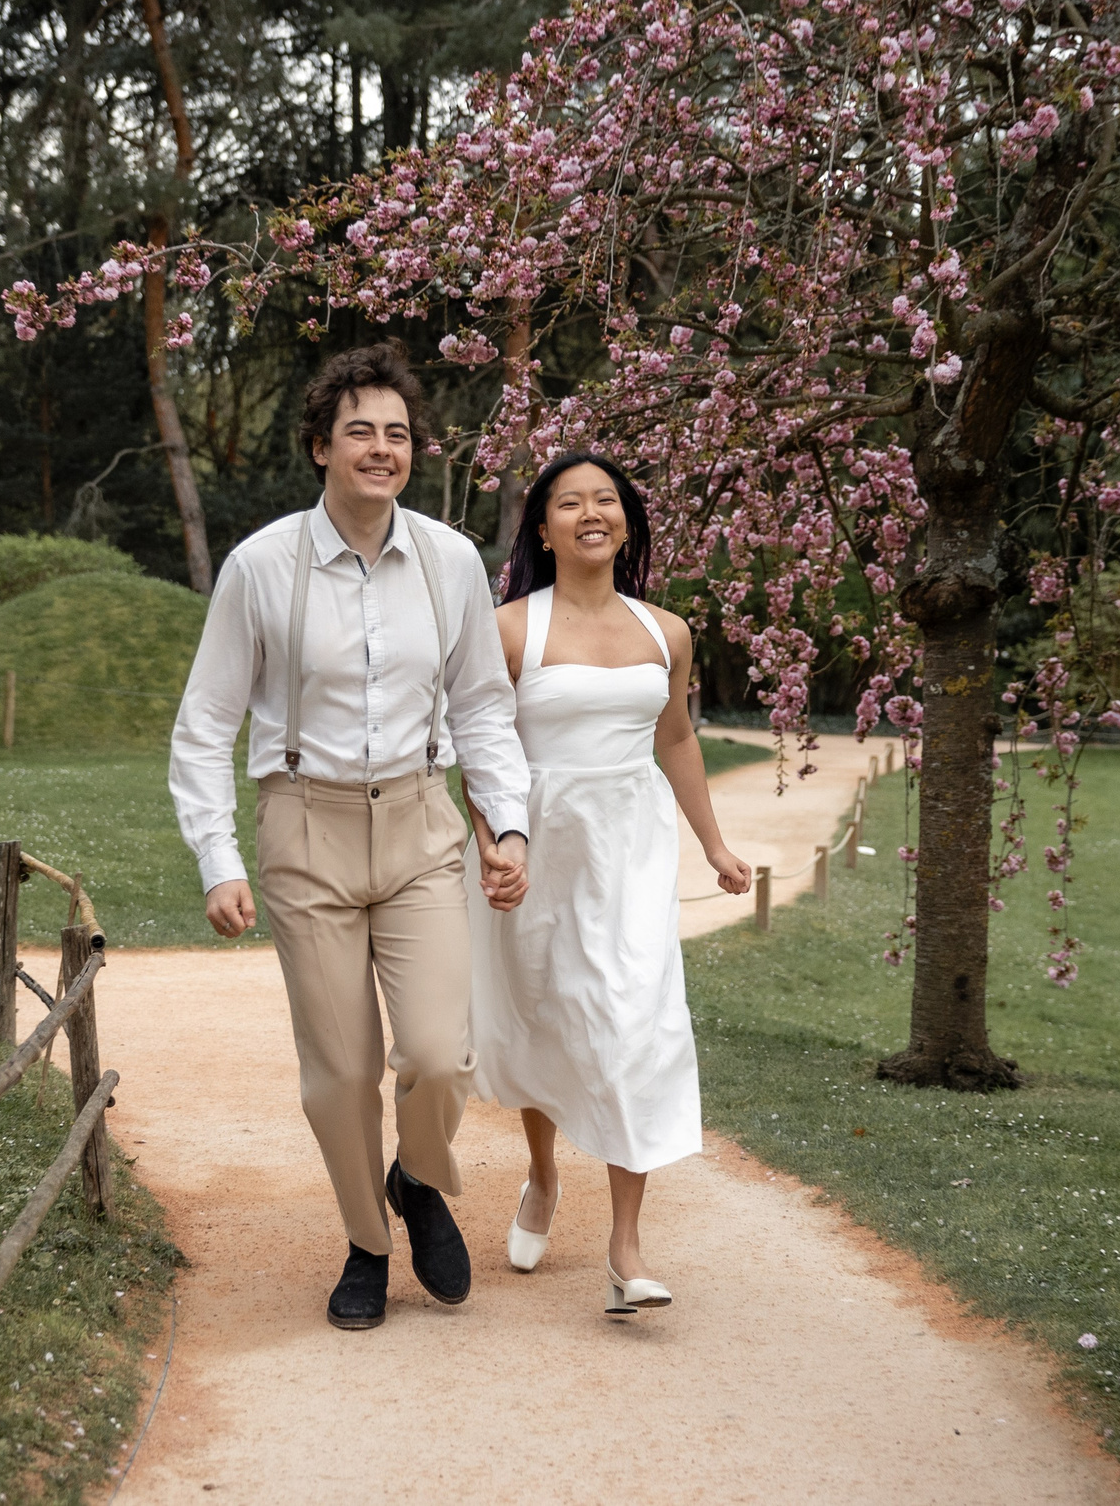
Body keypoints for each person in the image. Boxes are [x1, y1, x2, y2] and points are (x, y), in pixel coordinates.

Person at [170, 341, 533, 1332]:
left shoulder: (452, 562)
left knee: (438, 1055)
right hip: (305, 830)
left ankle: (417, 1184)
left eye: (398, 433)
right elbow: (205, 724)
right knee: (338, 1074)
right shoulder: (260, 567)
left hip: (419, 824)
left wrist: (508, 826)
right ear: (319, 446)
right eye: (359, 431)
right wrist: (219, 859)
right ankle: (368, 1244)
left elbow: (483, 711)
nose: (382, 448)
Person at [467, 451, 751, 1315]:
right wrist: (494, 845)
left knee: (637, 1019)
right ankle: (544, 1175)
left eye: (606, 500)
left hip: (630, 849)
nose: (591, 513)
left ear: (626, 520)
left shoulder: (667, 630)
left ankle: (626, 1251)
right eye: (569, 502)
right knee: (547, 1014)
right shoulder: (510, 627)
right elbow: (484, 747)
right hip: (540, 844)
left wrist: (715, 844)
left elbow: (674, 740)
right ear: (543, 528)